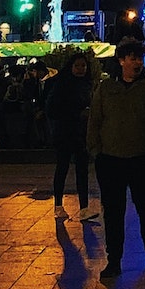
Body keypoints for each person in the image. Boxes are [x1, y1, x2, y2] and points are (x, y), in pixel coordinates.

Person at [86, 39, 145, 280]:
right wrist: (96, 151)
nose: (136, 63)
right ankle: (114, 259)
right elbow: (95, 121)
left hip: (142, 159)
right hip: (111, 159)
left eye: (138, 58)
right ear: (121, 60)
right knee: (113, 211)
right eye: (131, 58)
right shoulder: (106, 88)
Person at [45, 52, 98, 223]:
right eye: (78, 66)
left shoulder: (86, 84)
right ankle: (58, 206)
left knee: (82, 169)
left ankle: (84, 208)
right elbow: (52, 108)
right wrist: (77, 112)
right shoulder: (61, 84)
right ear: (71, 67)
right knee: (62, 167)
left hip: (80, 133)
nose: (81, 69)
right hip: (65, 132)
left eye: (83, 66)